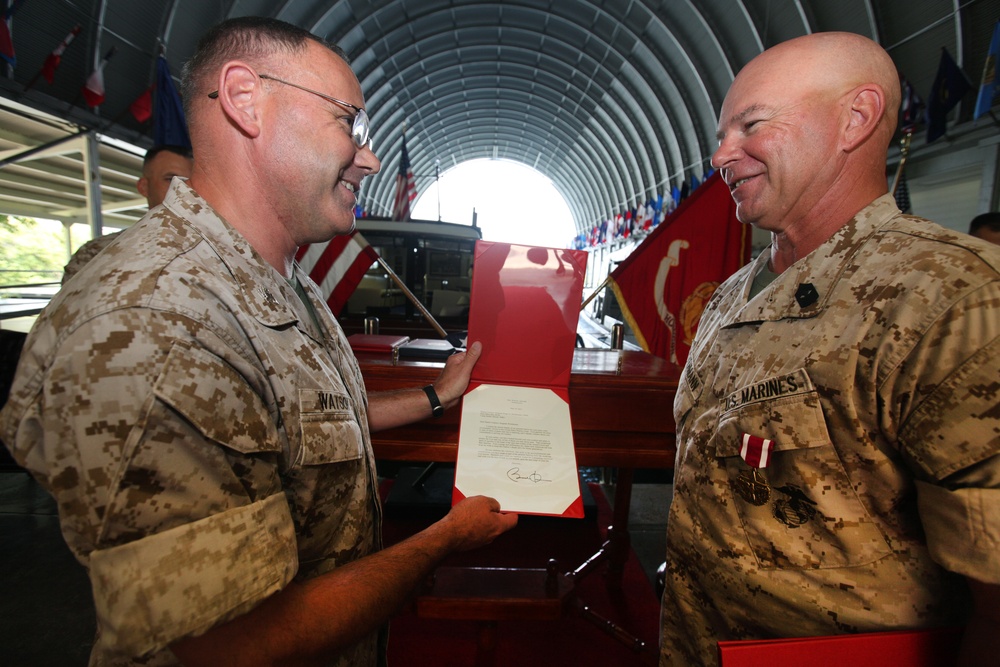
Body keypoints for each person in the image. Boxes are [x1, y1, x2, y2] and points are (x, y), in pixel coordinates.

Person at [1, 16, 516, 666]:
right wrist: (441, 540)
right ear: (246, 101)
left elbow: (303, 426)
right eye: (349, 124)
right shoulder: (160, 320)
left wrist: (438, 396)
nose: (371, 156)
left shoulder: (278, 279)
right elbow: (235, 644)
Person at [660, 32, 1000, 666]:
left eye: (751, 125)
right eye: (720, 135)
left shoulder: (956, 299)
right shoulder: (733, 293)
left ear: (857, 118)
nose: (719, 156)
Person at [61, 144, 194, 283]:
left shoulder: (210, 250)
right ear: (144, 187)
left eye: (190, 182)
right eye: (171, 179)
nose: (183, 188)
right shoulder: (95, 254)